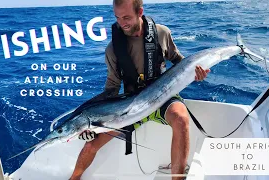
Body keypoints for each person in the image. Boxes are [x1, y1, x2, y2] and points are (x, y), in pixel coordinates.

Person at [69, 0, 210, 180]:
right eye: (117, 18)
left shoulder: (161, 33)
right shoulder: (112, 49)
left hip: (162, 97)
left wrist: (196, 73)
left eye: (126, 17)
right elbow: (111, 87)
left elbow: (179, 61)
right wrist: (93, 125)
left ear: (140, 12)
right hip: (129, 106)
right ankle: (74, 177)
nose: (122, 23)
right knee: (90, 145)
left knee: (181, 119)